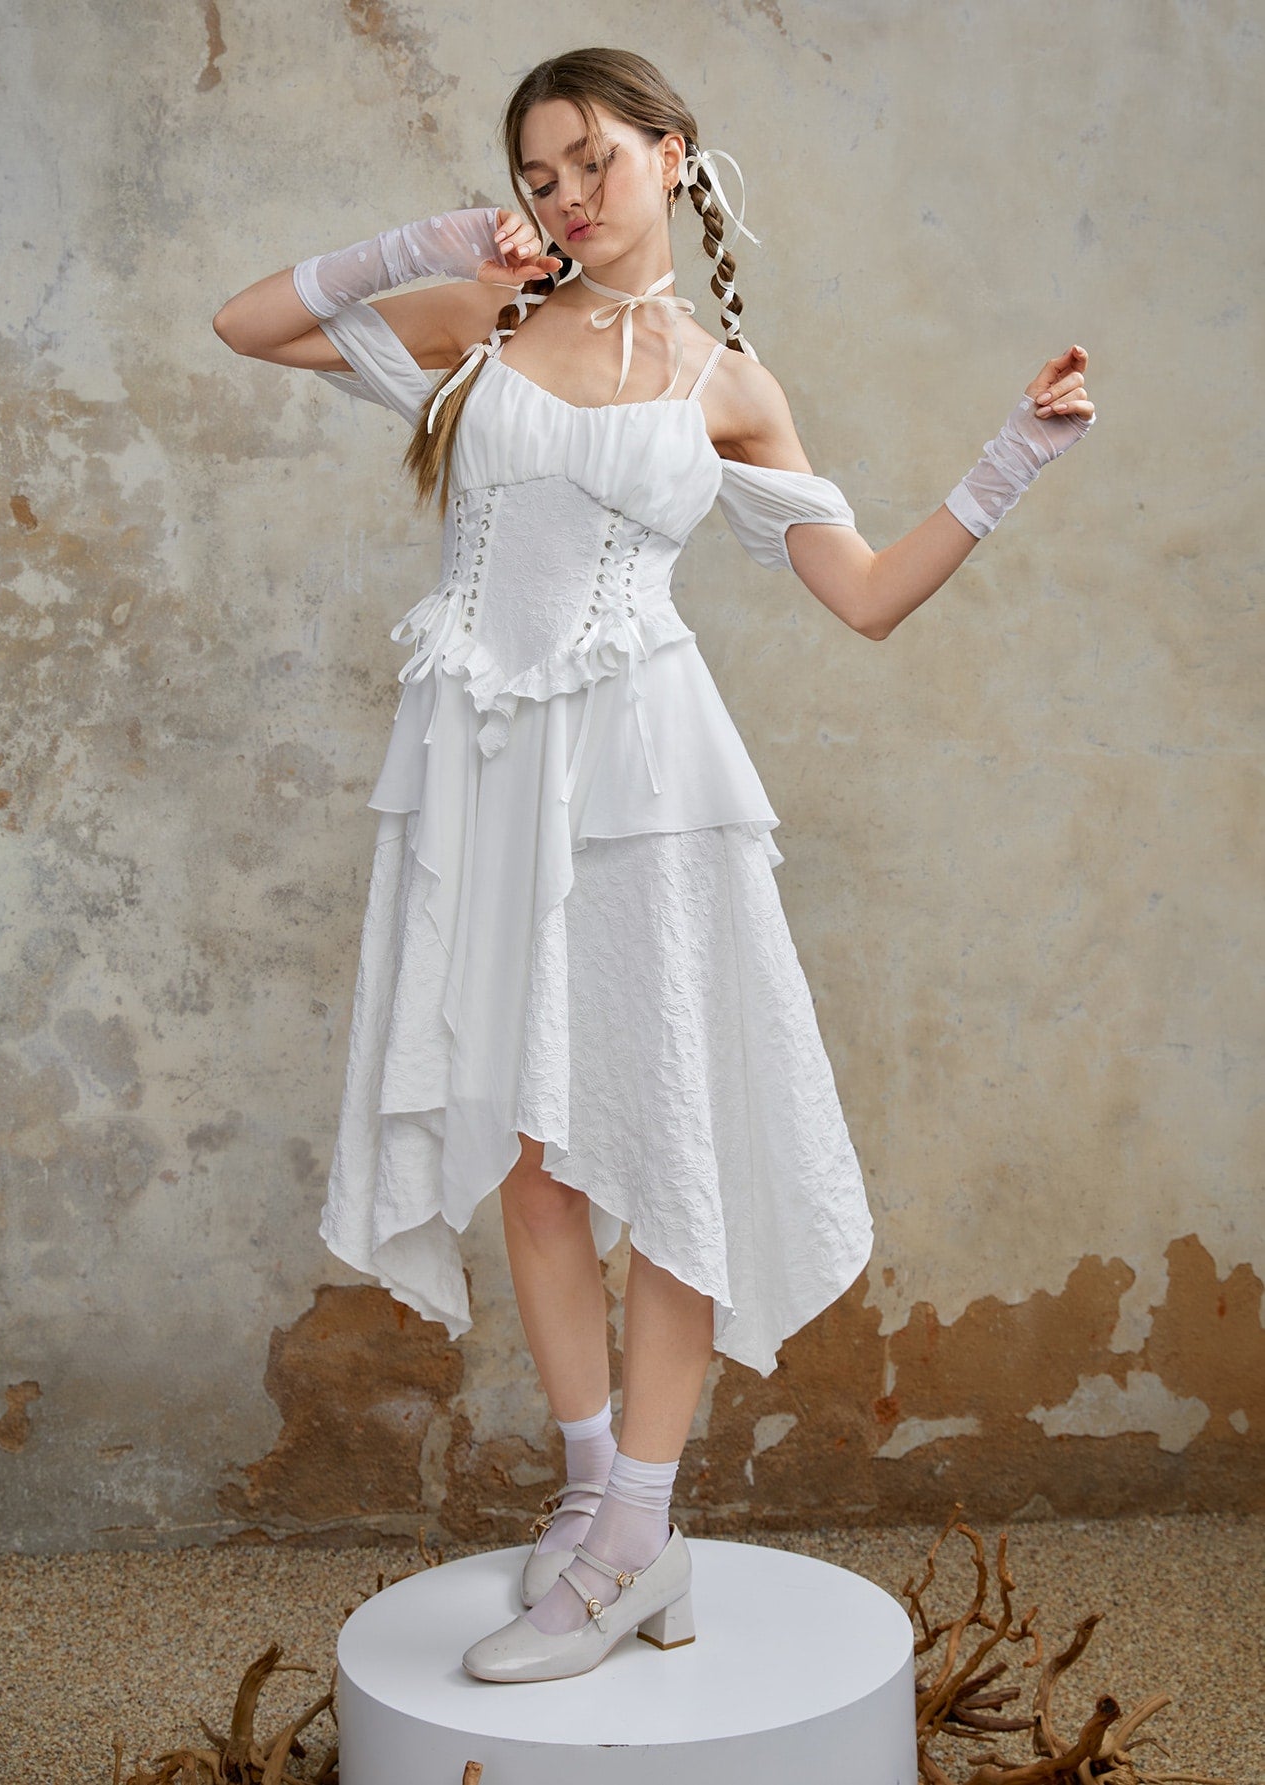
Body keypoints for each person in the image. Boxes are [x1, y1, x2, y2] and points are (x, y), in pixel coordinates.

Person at [213, 46, 1095, 1685]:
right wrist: (425, 244)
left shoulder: (725, 383)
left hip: (650, 784)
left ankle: (637, 1526)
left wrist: (1012, 458)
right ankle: (595, 1501)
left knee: (671, 1141)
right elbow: (246, 323)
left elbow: (865, 595)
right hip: (490, 781)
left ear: (673, 156)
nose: (567, 195)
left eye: (595, 160)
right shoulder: (483, 324)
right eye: (539, 173)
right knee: (534, 1158)